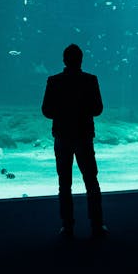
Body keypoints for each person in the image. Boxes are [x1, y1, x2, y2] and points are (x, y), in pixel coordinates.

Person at [41, 43, 106, 239]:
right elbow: (98, 109)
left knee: (64, 183)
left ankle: (67, 226)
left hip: (62, 135)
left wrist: (63, 112)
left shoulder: (54, 81)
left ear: (64, 60)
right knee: (91, 181)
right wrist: (81, 110)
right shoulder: (90, 80)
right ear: (81, 60)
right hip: (84, 136)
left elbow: (46, 111)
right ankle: (97, 225)